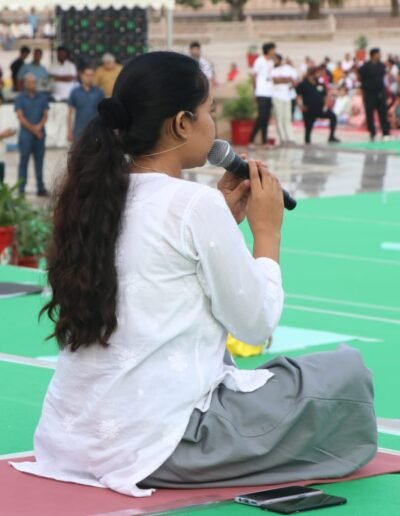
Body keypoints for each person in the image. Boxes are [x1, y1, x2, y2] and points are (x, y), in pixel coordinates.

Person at [11, 51, 376, 497]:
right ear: (182, 123)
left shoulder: (92, 198)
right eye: (208, 110)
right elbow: (255, 325)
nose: (213, 124)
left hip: (70, 442)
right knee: (346, 374)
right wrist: (267, 233)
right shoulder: (193, 204)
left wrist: (222, 223)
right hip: (166, 442)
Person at [14, 74, 49, 196]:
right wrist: (35, 130)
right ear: (25, 83)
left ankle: (40, 187)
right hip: (26, 136)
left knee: (39, 161)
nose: (32, 84)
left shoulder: (42, 97)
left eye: (34, 82)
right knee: (23, 161)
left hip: (40, 135)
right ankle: (21, 188)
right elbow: (20, 116)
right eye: (29, 82)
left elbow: (45, 115)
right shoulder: (20, 98)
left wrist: (39, 127)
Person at [296, 66, 340, 144]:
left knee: (333, 116)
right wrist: (301, 106)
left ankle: (331, 136)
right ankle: (307, 141)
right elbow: (298, 96)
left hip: (320, 109)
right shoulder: (303, 84)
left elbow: (325, 96)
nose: (318, 75)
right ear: (311, 74)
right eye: (316, 73)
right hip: (309, 110)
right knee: (308, 128)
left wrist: (325, 106)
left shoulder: (320, 84)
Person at [248, 42, 276, 149]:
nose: (274, 52)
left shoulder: (271, 62)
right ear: (268, 50)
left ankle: (264, 142)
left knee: (266, 118)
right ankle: (251, 141)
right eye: (273, 50)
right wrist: (255, 91)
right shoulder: (259, 60)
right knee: (261, 117)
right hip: (261, 92)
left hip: (270, 93)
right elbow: (254, 76)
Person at [358, 48, 390, 141]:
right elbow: (360, 76)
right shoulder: (365, 66)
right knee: (370, 113)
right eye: (378, 54)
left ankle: (385, 132)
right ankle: (372, 132)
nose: (380, 56)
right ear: (373, 55)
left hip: (380, 92)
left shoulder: (382, 65)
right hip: (369, 93)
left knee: (383, 113)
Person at [68, 66, 104, 142]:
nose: (90, 77)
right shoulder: (75, 92)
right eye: (87, 75)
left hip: (95, 130)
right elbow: (70, 113)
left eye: (92, 75)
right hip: (79, 130)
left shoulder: (99, 92)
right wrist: (69, 131)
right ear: (82, 76)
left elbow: (103, 112)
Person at [271, 54, 296, 145]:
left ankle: (290, 138)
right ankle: (282, 139)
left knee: (287, 118)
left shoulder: (287, 68)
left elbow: (293, 79)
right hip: (276, 96)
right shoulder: (272, 69)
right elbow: (275, 80)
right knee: (279, 118)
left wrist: (282, 79)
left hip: (287, 96)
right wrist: (285, 79)